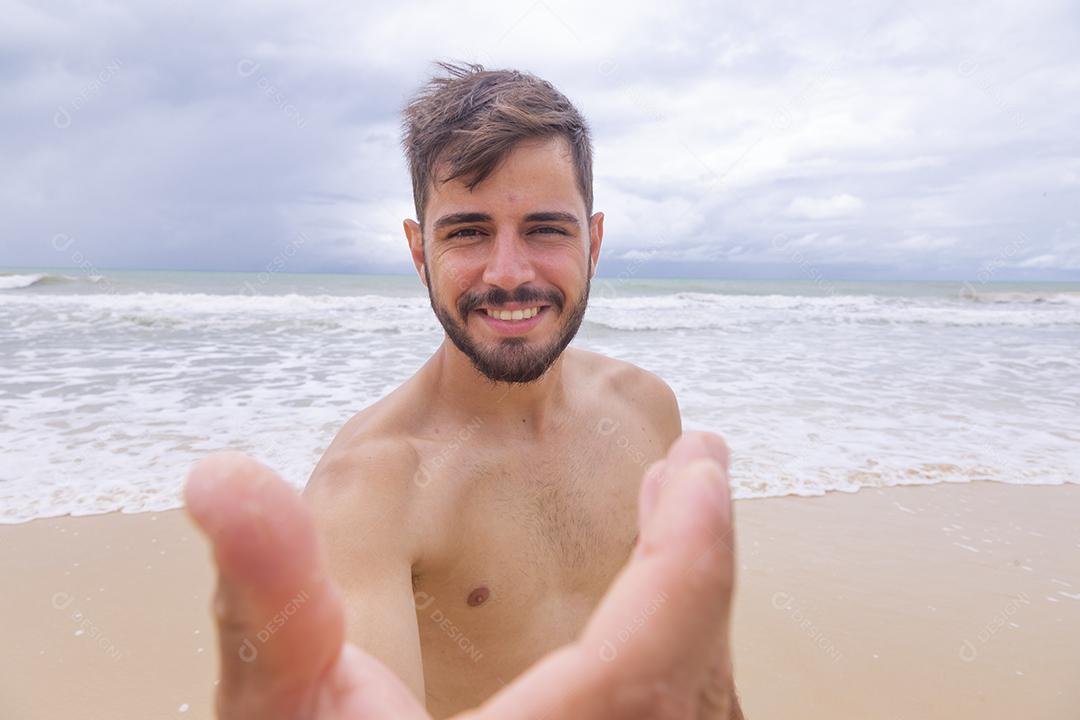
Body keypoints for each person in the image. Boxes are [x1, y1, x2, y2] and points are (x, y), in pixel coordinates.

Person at [185, 61, 744, 719]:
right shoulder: (372, 489)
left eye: (545, 228)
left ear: (592, 241)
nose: (509, 273)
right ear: (420, 251)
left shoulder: (646, 409)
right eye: (469, 232)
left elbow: (704, 672)